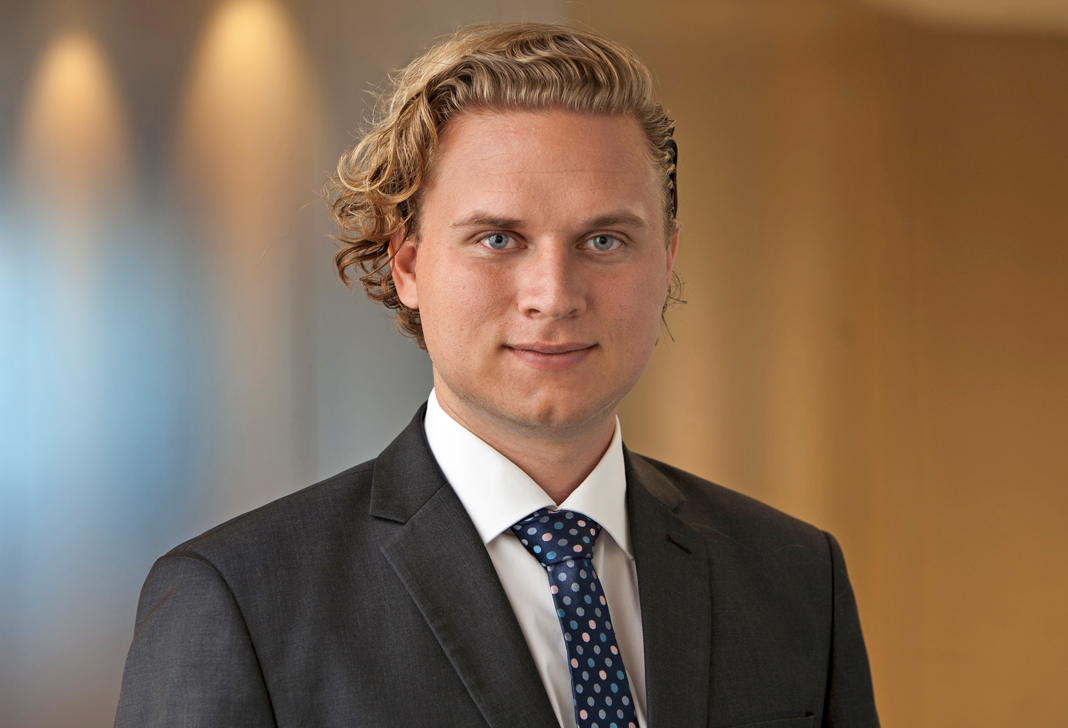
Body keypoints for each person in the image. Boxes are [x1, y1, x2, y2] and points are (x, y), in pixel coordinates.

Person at [114, 22, 878, 728]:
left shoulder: (795, 579)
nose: (555, 296)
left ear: (666, 259)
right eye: (499, 239)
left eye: (605, 240)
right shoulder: (239, 604)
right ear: (407, 263)